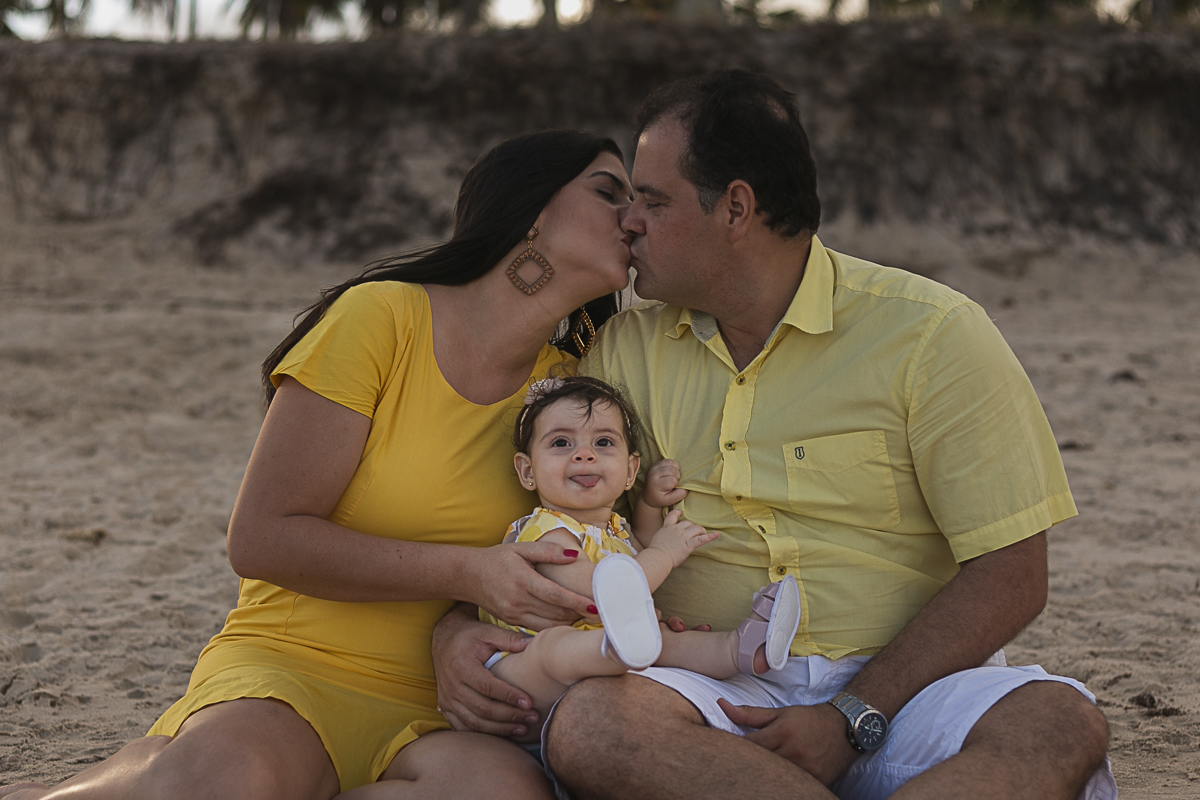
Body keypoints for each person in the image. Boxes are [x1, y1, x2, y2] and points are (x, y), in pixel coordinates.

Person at [431, 71, 1118, 800]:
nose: (629, 221)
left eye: (653, 201)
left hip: (909, 689)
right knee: (593, 726)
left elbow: (1012, 573)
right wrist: (451, 631)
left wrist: (853, 712)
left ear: (735, 208)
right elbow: (509, 503)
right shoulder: (619, 352)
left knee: (1059, 720)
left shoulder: (931, 334)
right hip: (705, 689)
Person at [0, 129, 639, 800]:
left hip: (447, 708)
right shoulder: (381, 318)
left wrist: (455, 625)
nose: (633, 216)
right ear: (531, 210)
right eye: (607, 192)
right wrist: (467, 573)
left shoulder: (570, 398)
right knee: (229, 780)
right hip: (293, 665)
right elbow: (260, 537)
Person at [481, 375, 803, 736]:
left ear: (630, 470)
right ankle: (618, 650)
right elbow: (597, 592)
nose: (584, 454)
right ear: (528, 471)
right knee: (555, 647)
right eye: (560, 442)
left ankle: (743, 650)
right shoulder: (544, 530)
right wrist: (666, 553)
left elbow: (640, 551)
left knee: (667, 638)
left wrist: (649, 506)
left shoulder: (615, 529)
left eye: (603, 442)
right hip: (523, 678)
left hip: (601, 687)